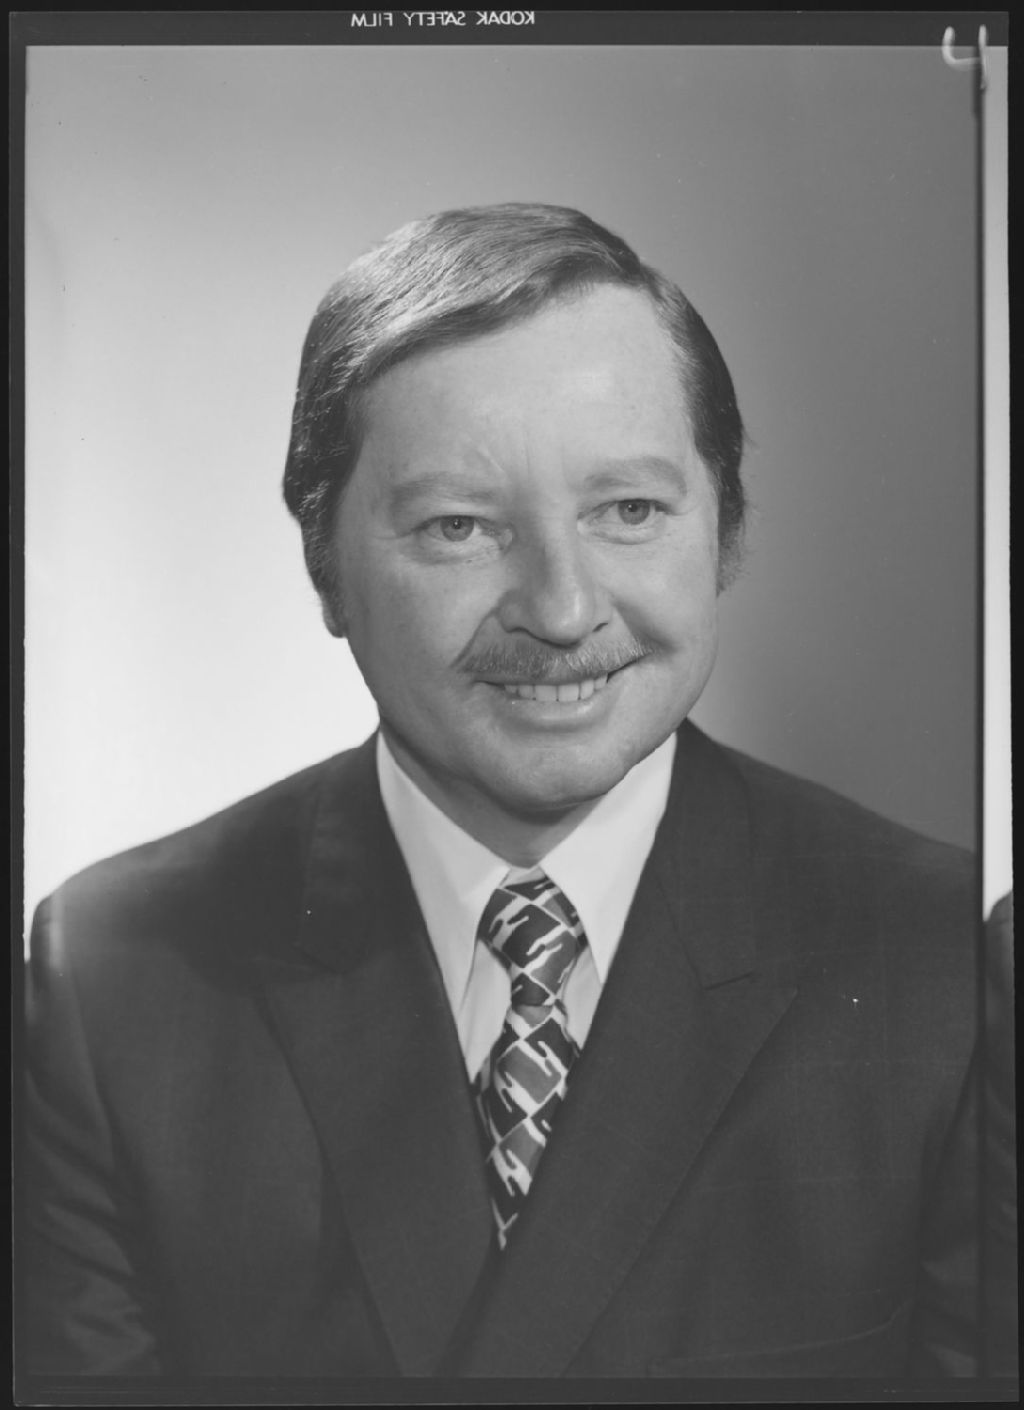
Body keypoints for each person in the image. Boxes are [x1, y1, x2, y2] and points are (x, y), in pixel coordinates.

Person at [23, 203, 996, 1381]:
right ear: (324, 561)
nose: (563, 609)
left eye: (628, 511)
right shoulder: (114, 980)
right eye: (459, 527)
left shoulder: (944, 967)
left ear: (727, 531)